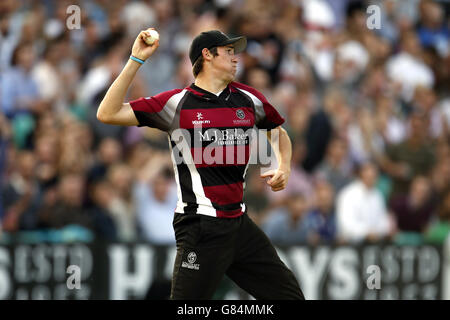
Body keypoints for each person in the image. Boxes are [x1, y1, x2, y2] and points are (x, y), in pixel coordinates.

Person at [97, 28, 304, 300]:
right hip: (200, 226)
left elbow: (278, 133)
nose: (235, 58)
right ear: (207, 55)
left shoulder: (248, 98)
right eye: (228, 52)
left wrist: (284, 167)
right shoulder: (176, 103)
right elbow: (107, 112)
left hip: (238, 224)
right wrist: (136, 60)